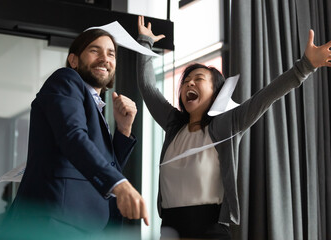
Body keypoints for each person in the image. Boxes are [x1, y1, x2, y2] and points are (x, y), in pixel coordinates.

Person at [136, 15, 331, 239]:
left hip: (211, 231)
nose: (189, 82)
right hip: (170, 230)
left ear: (216, 92)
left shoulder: (227, 124)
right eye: (186, 80)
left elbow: (265, 98)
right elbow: (147, 86)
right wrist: (145, 42)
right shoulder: (173, 126)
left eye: (198, 78)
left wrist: (305, 66)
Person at [4, 28, 149, 238]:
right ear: (73, 60)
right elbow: (72, 137)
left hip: (83, 226)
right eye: (95, 50)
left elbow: (104, 163)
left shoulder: (96, 108)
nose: (104, 59)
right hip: (53, 222)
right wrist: (120, 184)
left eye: (111, 54)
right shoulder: (66, 79)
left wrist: (124, 129)